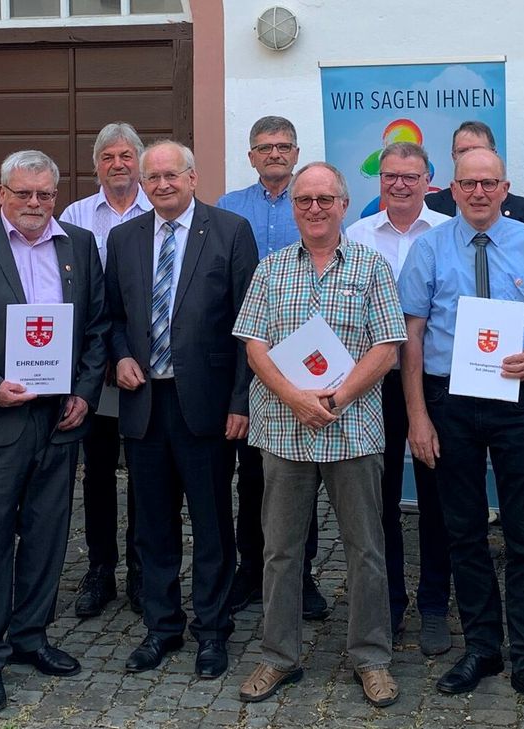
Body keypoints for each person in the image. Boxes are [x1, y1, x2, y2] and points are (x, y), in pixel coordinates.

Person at [398, 148, 524, 720]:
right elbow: (413, 336)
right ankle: (482, 647)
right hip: (450, 401)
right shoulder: (428, 247)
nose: (478, 192)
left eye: (489, 183)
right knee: (464, 531)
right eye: (469, 183)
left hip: (519, 401)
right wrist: (418, 416)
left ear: (505, 187)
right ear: (451, 189)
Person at [0, 150, 109, 714]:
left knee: (47, 534)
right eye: (23, 193)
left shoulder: (77, 245)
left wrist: (84, 390)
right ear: (1, 193)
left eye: (44, 194)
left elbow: (97, 326)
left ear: (56, 196)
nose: (34, 204)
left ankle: (32, 635)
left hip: (58, 418)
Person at [234, 161, 406, 708]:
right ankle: (278, 656)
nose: (314, 208)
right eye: (305, 200)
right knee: (280, 552)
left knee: (366, 551)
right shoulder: (271, 270)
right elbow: (254, 345)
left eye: (324, 199)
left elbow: (387, 348)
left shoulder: (372, 268)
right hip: (283, 433)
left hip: (352, 429)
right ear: (294, 208)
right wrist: (293, 397)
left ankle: (371, 657)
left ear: (343, 205)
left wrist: (335, 397)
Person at [105, 140, 258, 680]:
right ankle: (161, 626)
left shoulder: (230, 230)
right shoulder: (123, 238)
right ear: (142, 184)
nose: (163, 184)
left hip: (209, 406)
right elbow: (113, 316)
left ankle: (212, 630)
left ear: (193, 178)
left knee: (213, 521)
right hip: (145, 400)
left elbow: (249, 326)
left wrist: (242, 401)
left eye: (173, 175)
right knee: (152, 523)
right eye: (154, 177)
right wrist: (120, 356)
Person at [343, 141, 454, 654]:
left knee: (436, 497)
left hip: (436, 381)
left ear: (429, 179)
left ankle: (434, 603)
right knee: (379, 497)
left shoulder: (449, 233)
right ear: (379, 180)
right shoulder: (357, 235)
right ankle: (387, 602)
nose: (401, 185)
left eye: (412, 176)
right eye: (391, 176)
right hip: (374, 383)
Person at [218, 115, 326, 619]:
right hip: (248, 349)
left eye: (284, 145)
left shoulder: (313, 203)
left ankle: (302, 576)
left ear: (296, 150)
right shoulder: (228, 208)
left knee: (303, 471)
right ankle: (250, 571)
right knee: (253, 475)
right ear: (251, 155)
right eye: (265, 146)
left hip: (310, 351)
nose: (275, 153)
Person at [59, 121, 152, 617]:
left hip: (141, 360)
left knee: (142, 470)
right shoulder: (74, 214)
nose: (118, 164)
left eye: (126, 155)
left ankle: (141, 568)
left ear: (139, 161)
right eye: (108, 156)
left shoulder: (157, 208)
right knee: (95, 471)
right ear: (96, 165)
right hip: (91, 360)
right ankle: (100, 569)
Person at [423, 120, 524, 231]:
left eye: (478, 150)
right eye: (462, 151)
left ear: (494, 153)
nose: (470, 157)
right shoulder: (430, 205)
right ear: (453, 157)